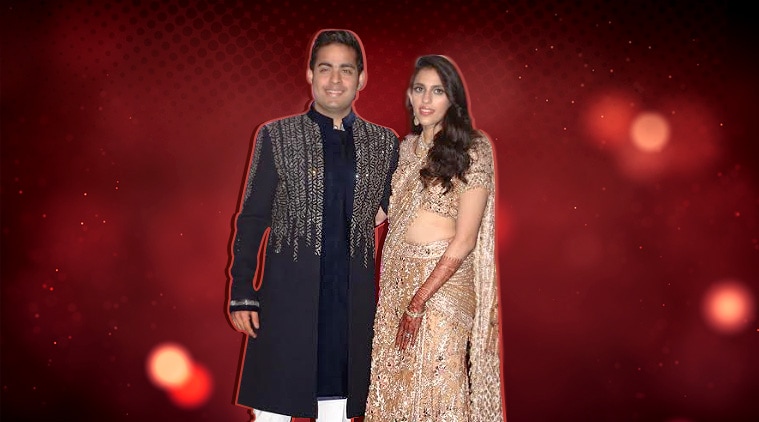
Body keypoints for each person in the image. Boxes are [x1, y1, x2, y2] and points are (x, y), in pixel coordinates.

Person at [226, 29, 399, 421]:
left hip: (350, 303)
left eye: (346, 69)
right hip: (288, 298)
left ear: (361, 78)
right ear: (310, 74)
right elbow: (252, 218)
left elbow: (399, 207)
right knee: (272, 412)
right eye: (325, 68)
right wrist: (243, 290)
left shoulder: (384, 143)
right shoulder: (277, 136)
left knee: (336, 411)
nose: (335, 79)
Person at [364, 55, 505, 421]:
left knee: (438, 388)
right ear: (409, 96)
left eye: (437, 91)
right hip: (397, 284)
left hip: (442, 286)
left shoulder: (472, 149)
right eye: (419, 89)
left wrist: (419, 300)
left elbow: (465, 239)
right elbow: (381, 213)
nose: (426, 99)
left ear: (452, 99)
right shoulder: (403, 149)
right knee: (394, 389)